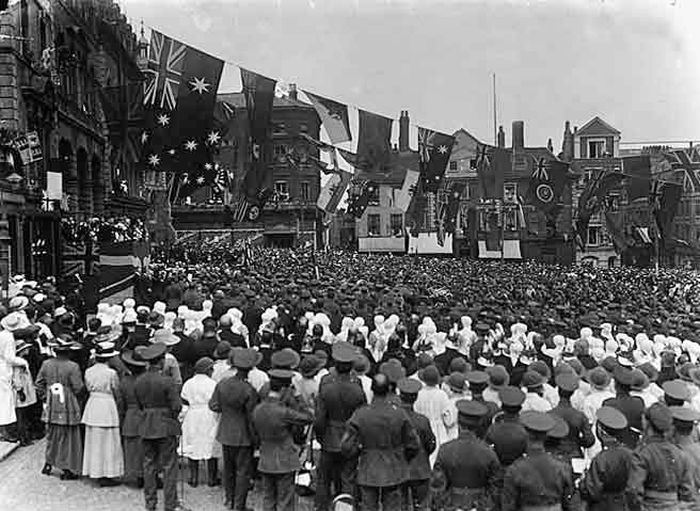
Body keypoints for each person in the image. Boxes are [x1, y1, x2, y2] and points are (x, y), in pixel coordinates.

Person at [341, 372, 420, 511]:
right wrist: (402, 457)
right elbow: (413, 444)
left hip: (368, 467)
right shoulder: (399, 413)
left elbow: (346, 446)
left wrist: (358, 453)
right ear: (389, 389)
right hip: (394, 468)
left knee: (368, 506)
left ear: (372, 389)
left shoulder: (361, 414)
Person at [134, 342, 188, 511]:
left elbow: (138, 403)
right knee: (169, 466)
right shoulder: (167, 381)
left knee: (148, 465)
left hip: (146, 423)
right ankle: (170, 504)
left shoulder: (139, 381)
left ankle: (150, 503)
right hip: (165, 424)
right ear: (162, 361)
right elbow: (177, 406)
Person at [314, 342, 367, 511]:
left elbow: (320, 417)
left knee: (324, 478)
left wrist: (321, 437)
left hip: (329, 437)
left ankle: (321, 507)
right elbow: (361, 415)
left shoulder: (326, 383)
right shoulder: (357, 386)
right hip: (349, 438)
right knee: (347, 479)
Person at [252, 368, 314, 511]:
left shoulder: (258, 409)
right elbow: (309, 417)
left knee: (268, 498)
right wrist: (297, 397)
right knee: (285, 500)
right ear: (285, 389)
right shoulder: (284, 412)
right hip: (285, 457)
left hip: (266, 457)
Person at [209, 348, 259, 511]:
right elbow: (252, 416)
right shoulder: (248, 389)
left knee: (228, 469)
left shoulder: (223, 384)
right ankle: (239, 504)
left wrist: (227, 409)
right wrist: (256, 438)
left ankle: (229, 499)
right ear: (249, 369)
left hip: (225, 430)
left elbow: (213, 405)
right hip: (243, 434)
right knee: (242, 471)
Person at [430, 400, 501, 511]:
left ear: (459, 423)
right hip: (480, 503)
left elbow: (437, 486)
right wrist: (480, 507)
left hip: (451, 503)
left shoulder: (445, 450)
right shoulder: (488, 453)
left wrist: (449, 506)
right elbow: (495, 487)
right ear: (478, 425)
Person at [628, 402, 696, 511]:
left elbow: (633, 490)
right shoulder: (680, 454)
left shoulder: (643, 454)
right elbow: (687, 492)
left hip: (649, 506)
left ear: (647, 423)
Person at [501, 411, 574, 511]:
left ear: (525, 434)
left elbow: (508, 505)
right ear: (546, 436)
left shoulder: (516, 469)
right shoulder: (562, 466)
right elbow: (569, 501)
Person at [35, 336, 85, 480]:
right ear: (69, 351)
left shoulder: (46, 364)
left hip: (52, 402)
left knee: (52, 434)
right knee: (68, 436)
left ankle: (48, 463)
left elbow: (38, 383)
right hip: (68, 403)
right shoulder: (73, 366)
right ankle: (66, 468)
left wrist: (46, 396)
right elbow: (78, 387)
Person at [81, 343, 124, 486]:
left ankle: (95, 471)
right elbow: (116, 390)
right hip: (107, 404)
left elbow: (87, 388)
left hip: (93, 404)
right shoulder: (111, 373)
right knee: (109, 441)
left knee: (94, 440)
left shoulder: (88, 371)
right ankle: (108, 472)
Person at [580, 406, 635, 511]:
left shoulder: (601, 459)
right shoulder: (630, 454)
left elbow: (592, 491)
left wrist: (583, 482)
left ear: (601, 430)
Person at [180, 357, 221, 488]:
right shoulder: (212, 384)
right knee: (210, 444)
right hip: (209, 414)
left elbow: (184, 399)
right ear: (208, 370)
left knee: (193, 444)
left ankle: (193, 478)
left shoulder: (188, 383)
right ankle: (212, 478)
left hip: (193, 414)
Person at [397, 378, 436, 511]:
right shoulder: (422, 420)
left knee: (400, 506)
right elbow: (430, 444)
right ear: (415, 397)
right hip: (420, 469)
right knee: (421, 506)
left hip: (398, 469)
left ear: (400, 396)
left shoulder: (394, 418)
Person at [550, 373, 595, 460]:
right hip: (574, 454)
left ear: (558, 391)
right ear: (572, 393)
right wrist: (576, 441)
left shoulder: (550, 414)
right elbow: (590, 440)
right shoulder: (580, 416)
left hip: (554, 454)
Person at [414, 364, 454, 465]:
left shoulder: (418, 394)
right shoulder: (442, 395)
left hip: (422, 429)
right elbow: (448, 419)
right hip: (439, 430)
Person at [119, 349, 147, 488]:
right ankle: (148, 474)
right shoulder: (147, 380)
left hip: (130, 415)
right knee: (147, 447)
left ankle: (136, 474)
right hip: (146, 414)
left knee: (133, 448)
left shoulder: (124, 381)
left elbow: (120, 403)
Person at [603, 367, 645, 449]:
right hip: (634, 445)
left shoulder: (609, 404)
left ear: (615, 385)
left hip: (615, 447)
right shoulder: (639, 402)